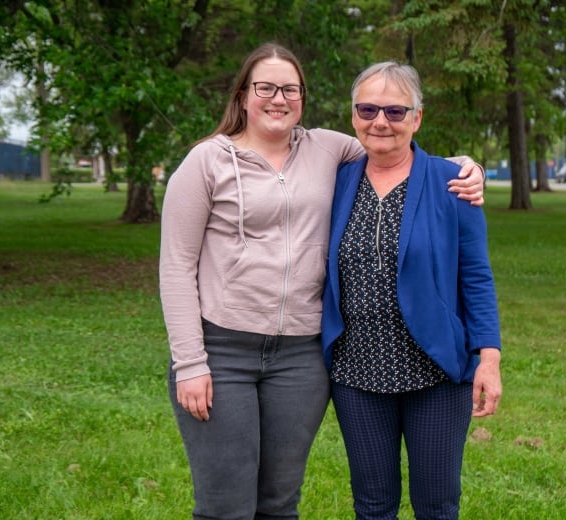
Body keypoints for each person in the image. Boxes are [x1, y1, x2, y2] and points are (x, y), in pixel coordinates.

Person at [159, 43, 485, 519]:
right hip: (224, 349)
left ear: (303, 98)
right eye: (265, 87)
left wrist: (462, 165)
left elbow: (396, 149)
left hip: (300, 356)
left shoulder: (328, 148)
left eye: (290, 89)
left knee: (280, 502)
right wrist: (189, 361)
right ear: (243, 96)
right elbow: (176, 266)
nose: (278, 98)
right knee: (225, 505)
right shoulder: (206, 162)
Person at [321, 61, 502, 519]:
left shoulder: (452, 182)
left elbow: (476, 277)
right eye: (368, 109)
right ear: (354, 115)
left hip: (436, 372)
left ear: (417, 118)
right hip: (357, 373)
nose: (380, 121)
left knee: (436, 505)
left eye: (395, 111)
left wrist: (490, 359)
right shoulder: (337, 180)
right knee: (373, 504)